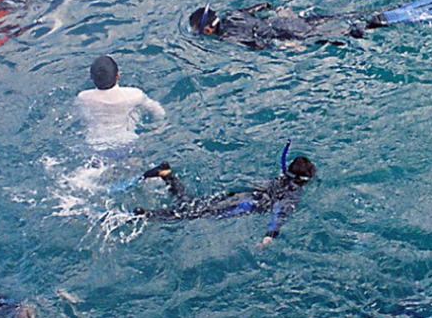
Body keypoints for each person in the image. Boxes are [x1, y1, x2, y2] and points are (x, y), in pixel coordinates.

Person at [137, 150, 314, 244]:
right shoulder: (293, 194)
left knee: (192, 204)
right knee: (190, 213)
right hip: (241, 205)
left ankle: (166, 174)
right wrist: (269, 236)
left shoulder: (277, 179)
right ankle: (145, 214)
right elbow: (280, 214)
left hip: (237, 196)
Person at [189, 0, 432, 49]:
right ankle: (390, 8)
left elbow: (257, 44)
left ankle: (375, 23)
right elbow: (263, 5)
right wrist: (280, 10)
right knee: (340, 17)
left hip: (284, 35)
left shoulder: (227, 37)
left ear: (208, 29)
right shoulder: (234, 13)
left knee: (338, 35)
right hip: (286, 21)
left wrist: (286, 47)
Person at [75, 55, 165, 152]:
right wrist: (158, 127)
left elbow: (83, 117)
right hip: (125, 142)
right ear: (118, 75)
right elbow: (158, 112)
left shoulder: (83, 97)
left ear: (92, 78)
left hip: (95, 145)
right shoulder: (135, 95)